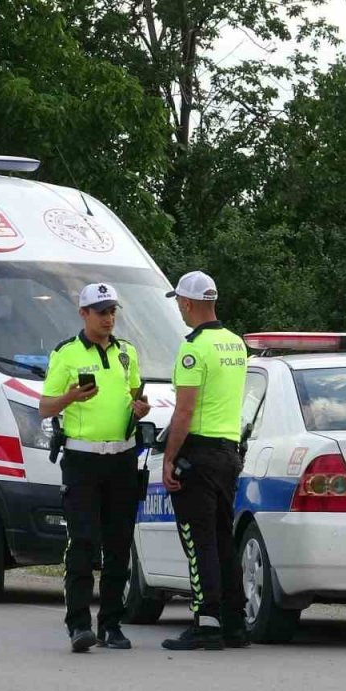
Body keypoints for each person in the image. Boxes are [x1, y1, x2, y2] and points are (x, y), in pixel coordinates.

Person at [40, 283, 150, 652]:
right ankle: (79, 625)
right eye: (101, 311)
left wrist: (141, 408)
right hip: (82, 459)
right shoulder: (66, 354)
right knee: (84, 542)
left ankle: (112, 625)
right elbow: (45, 407)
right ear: (83, 313)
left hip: (122, 457)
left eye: (112, 310)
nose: (109, 318)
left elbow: (136, 393)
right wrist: (71, 396)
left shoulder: (127, 353)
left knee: (119, 544)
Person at [160, 271, 250, 650]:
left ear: (191, 303)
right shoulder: (237, 344)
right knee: (221, 539)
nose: (179, 307)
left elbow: (184, 410)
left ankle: (206, 621)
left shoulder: (193, 348)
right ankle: (234, 622)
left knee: (199, 541)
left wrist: (169, 458)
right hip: (229, 451)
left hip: (198, 452)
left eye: (180, 301)